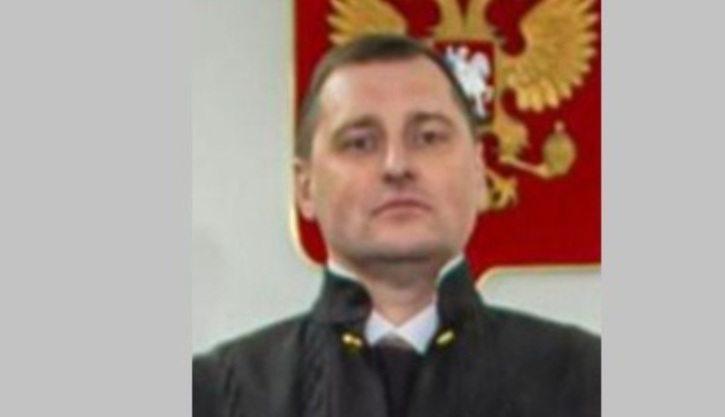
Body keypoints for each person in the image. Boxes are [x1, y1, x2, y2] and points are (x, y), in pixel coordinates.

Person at [193, 34, 600, 417]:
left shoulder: (588, 380)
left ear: (479, 173)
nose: (397, 166)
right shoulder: (215, 395)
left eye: (427, 137)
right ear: (305, 188)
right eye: (360, 142)